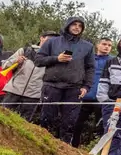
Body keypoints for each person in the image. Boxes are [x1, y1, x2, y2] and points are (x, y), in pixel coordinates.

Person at [34, 17, 95, 145]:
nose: (77, 27)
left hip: (74, 88)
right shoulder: (52, 42)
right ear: (67, 25)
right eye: (74, 24)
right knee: (47, 120)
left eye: (80, 25)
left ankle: (64, 150)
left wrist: (86, 87)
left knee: (69, 123)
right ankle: (43, 146)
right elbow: (38, 60)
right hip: (52, 85)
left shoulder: (88, 47)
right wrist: (57, 58)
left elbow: (90, 68)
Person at [1, 30, 60, 122]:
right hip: (13, 90)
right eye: (49, 39)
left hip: (33, 96)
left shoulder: (53, 59)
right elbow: (4, 66)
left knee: (24, 124)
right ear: (41, 38)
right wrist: (16, 60)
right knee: (1, 118)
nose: (51, 42)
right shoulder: (24, 51)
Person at [72, 37, 113, 148]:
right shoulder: (88, 58)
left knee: (102, 126)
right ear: (97, 45)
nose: (106, 47)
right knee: (77, 123)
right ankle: (72, 147)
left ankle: (100, 151)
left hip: (103, 99)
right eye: (104, 44)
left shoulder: (113, 60)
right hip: (84, 96)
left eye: (109, 45)